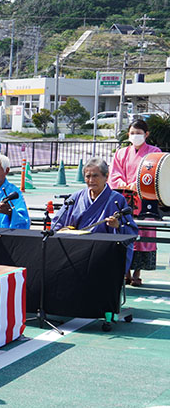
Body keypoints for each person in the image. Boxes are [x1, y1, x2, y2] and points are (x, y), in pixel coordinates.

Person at [108, 118, 161, 286]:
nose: (135, 136)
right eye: (132, 133)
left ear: (146, 134)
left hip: (145, 200)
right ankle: (126, 272)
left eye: (139, 133)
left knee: (143, 234)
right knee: (124, 232)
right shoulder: (121, 153)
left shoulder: (155, 153)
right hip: (124, 198)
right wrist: (123, 184)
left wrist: (138, 184)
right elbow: (114, 173)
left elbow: (156, 175)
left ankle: (137, 272)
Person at [53, 158, 137, 235]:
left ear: (106, 177)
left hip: (103, 247)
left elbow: (131, 231)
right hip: (75, 246)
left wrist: (117, 226)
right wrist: (59, 231)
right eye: (88, 176)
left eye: (95, 176)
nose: (91, 180)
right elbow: (57, 223)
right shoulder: (75, 197)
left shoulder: (117, 199)